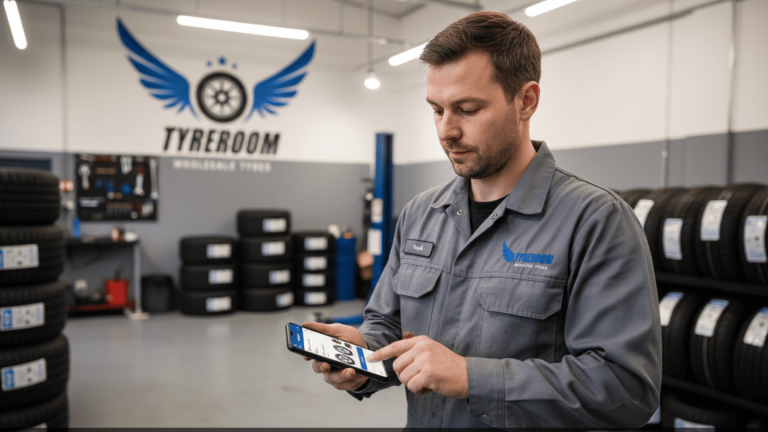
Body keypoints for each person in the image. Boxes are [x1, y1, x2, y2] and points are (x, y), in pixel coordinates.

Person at [304, 11, 661, 429]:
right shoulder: (421, 214)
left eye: (467, 109)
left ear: (526, 101)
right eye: (436, 110)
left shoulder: (595, 221)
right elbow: (390, 324)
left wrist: (473, 378)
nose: (445, 131)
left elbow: (626, 388)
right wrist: (365, 353)